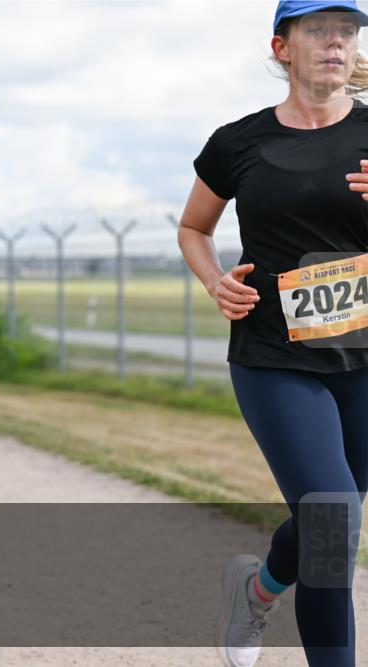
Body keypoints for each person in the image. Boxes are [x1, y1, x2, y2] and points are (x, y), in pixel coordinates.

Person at [178, 3, 368, 666]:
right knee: (333, 521)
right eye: (318, 30)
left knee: (329, 522)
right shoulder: (239, 142)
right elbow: (193, 228)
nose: (335, 42)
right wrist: (213, 280)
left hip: (365, 358)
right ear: (282, 47)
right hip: (274, 355)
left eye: (347, 30)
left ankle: (256, 589)